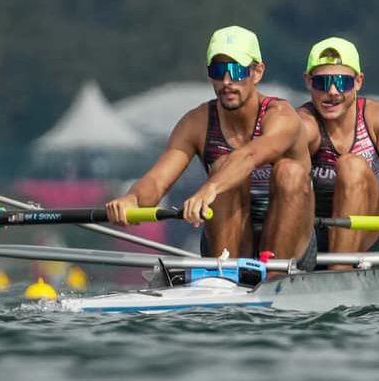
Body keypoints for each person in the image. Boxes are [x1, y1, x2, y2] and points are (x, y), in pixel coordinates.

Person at [106, 25, 312, 260]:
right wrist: (132, 199)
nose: (226, 81)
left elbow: (250, 156)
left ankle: (275, 276)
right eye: (218, 70)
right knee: (223, 166)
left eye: (236, 71)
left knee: (289, 171)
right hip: (229, 239)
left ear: (257, 72)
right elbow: (157, 181)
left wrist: (210, 188)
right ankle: (225, 277)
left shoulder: (281, 115)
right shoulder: (197, 122)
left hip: (293, 241)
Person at [296, 36, 379, 254]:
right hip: (312, 233)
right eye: (322, 83)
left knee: (351, 166)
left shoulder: (377, 115)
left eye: (343, 82)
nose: (332, 92)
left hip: (366, 233)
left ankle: (339, 271)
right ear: (308, 81)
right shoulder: (304, 122)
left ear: (359, 82)